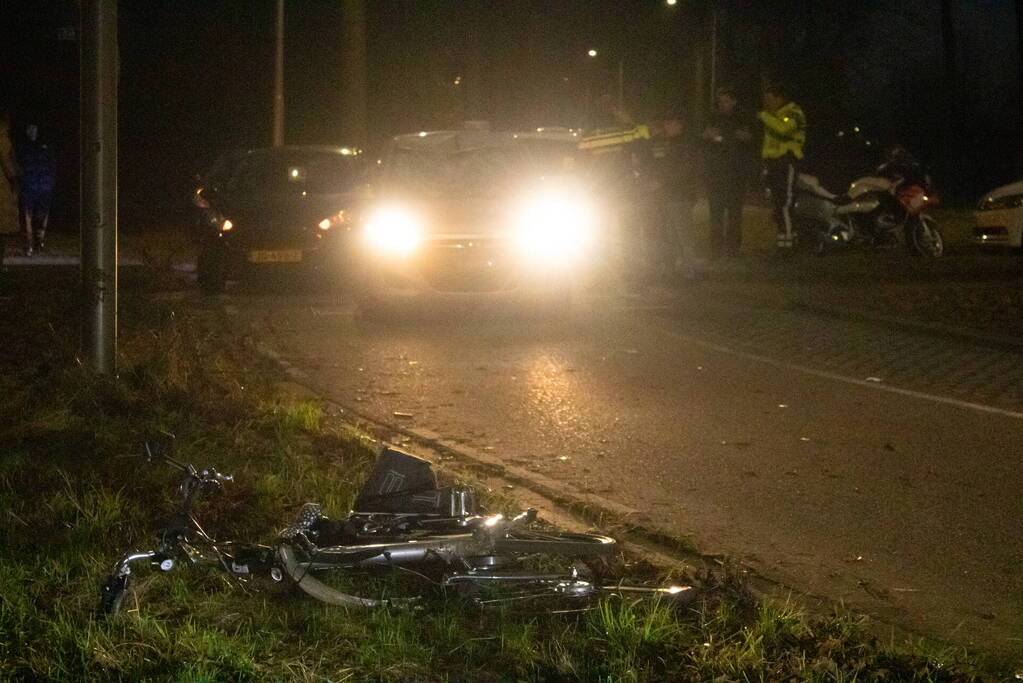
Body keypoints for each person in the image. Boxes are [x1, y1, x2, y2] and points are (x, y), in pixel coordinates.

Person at [702, 86, 754, 258]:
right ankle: (715, 247)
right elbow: (703, 139)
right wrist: (707, 136)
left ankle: (733, 248)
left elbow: (750, 139)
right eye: (720, 101)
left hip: (736, 174)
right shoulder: (711, 118)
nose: (722, 105)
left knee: (734, 212)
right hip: (716, 173)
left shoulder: (742, 118)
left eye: (726, 101)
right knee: (716, 211)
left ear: (733, 101)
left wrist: (745, 137)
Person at [650, 112, 701, 278]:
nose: (666, 127)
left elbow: (684, 170)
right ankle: (679, 267)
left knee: (684, 234)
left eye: (670, 124)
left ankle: (689, 269)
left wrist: (662, 181)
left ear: (679, 125)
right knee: (672, 234)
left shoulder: (685, 144)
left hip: (680, 194)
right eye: (665, 124)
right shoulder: (666, 142)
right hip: (668, 194)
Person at [758, 84, 805, 251]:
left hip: (787, 162)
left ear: (780, 98)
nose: (767, 103)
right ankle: (783, 238)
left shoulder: (793, 113)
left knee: (785, 202)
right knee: (779, 203)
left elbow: (784, 129)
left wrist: (764, 116)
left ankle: (789, 240)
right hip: (774, 164)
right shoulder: (775, 115)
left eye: (770, 99)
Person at [14, 121, 56, 256]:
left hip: (44, 186)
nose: (31, 131)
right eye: (29, 128)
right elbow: (16, 164)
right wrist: (18, 181)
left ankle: (39, 240)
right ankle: (28, 244)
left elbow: (52, 164)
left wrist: (50, 181)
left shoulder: (46, 145)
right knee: (27, 216)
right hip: (28, 186)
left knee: (41, 215)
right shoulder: (22, 146)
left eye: (34, 128)